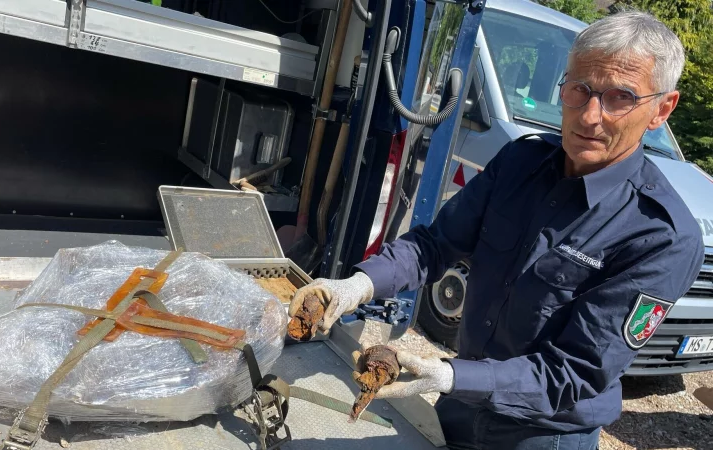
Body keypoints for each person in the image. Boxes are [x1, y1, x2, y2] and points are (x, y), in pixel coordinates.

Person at [288, 10, 705, 450]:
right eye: (579, 89)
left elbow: (574, 371)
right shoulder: (521, 162)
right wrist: (359, 285)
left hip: (541, 432)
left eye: (620, 98)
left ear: (661, 109)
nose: (588, 116)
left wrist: (449, 376)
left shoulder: (662, 236)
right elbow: (434, 245)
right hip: (461, 402)